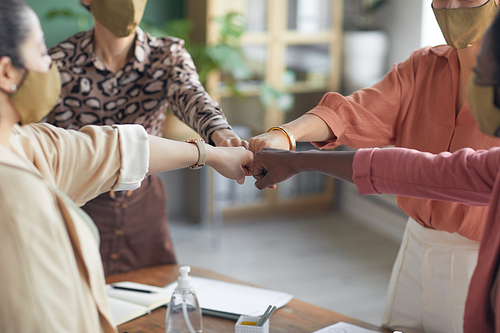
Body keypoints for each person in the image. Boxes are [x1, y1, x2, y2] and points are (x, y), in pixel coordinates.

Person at [0, 1, 253, 331]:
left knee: (154, 307)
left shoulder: (166, 54)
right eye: (39, 51)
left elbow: (185, 105)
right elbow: (77, 152)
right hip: (82, 200)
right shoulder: (58, 70)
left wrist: (222, 142)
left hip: (142, 204)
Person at [249, 0, 500, 332]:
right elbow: (354, 112)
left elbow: (412, 170)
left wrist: (297, 161)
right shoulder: (423, 65)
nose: (452, 6)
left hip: (480, 258)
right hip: (416, 245)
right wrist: (286, 134)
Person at [45, 0, 248, 276]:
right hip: (77, 207)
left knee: (155, 293)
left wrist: (222, 135)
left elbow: (192, 96)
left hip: (143, 204)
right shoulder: (57, 63)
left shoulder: (167, 54)